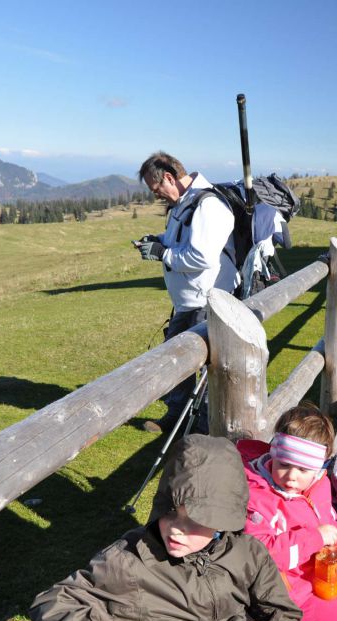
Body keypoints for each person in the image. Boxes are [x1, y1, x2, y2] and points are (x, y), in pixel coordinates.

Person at [30, 434, 302, 621]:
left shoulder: (248, 553)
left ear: (222, 520)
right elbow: (54, 602)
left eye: (196, 520)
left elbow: (283, 613)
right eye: (170, 512)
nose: (176, 529)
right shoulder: (131, 561)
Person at [237, 403, 337, 621]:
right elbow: (261, 555)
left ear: (318, 467)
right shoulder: (257, 497)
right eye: (284, 464)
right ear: (273, 455)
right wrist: (316, 538)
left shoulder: (319, 484)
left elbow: (331, 524)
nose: (291, 476)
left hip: (319, 576)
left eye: (302, 469)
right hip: (285, 593)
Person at [135, 152, 238, 434]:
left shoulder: (208, 205)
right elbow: (177, 242)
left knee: (205, 368)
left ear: (169, 177)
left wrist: (163, 253)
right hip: (187, 302)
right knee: (176, 362)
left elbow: (200, 257)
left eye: (157, 190)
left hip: (204, 302)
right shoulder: (185, 203)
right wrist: (158, 242)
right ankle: (177, 416)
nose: (158, 197)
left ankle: (202, 430)